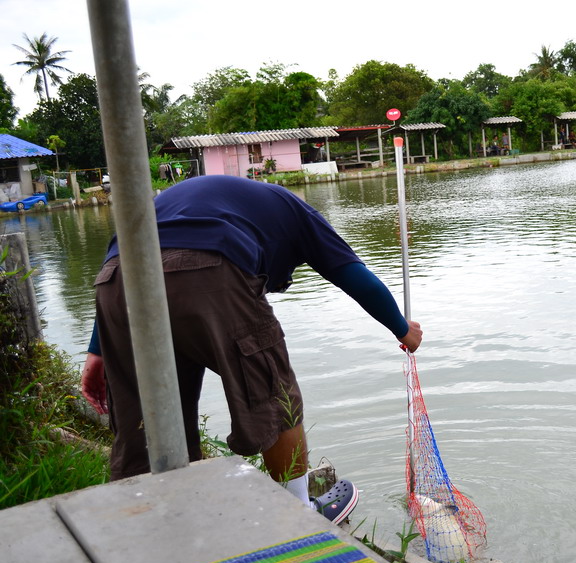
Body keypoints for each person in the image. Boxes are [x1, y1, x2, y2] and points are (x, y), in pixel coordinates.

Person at [80, 175, 422, 524]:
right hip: (208, 267)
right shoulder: (301, 214)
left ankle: (162, 519)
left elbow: (137, 268)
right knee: (275, 394)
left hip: (115, 278)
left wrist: (97, 351)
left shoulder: (212, 202)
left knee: (149, 411)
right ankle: (300, 515)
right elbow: (353, 276)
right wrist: (401, 327)